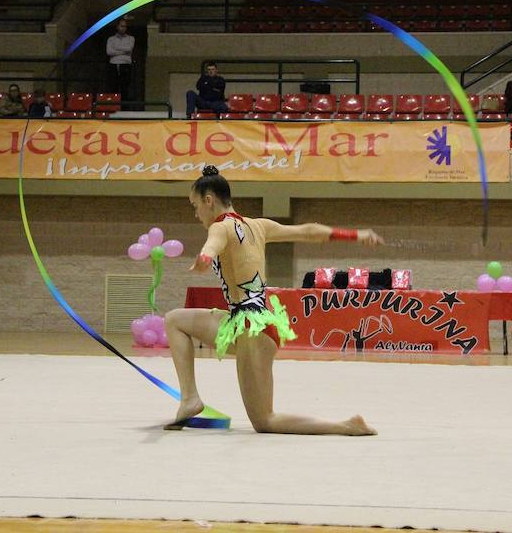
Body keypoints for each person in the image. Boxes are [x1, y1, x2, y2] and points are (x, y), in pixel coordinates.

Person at [164, 165, 382, 435]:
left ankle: (345, 426)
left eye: (195, 206)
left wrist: (206, 257)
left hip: (251, 330)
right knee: (175, 320)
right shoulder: (259, 226)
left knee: (265, 421)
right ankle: (190, 399)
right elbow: (308, 231)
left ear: (209, 200)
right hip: (244, 322)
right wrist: (355, 235)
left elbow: (213, 244)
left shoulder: (220, 227)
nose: (196, 214)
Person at [106, 18, 134, 102]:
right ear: (117, 27)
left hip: (125, 65)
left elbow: (129, 49)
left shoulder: (131, 38)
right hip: (113, 64)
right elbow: (109, 52)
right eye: (122, 26)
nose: (123, 28)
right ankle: (113, 106)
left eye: (125, 26)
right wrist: (123, 51)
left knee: (125, 87)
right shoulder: (111, 39)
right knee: (113, 86)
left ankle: (124, 108)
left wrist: (116, 48)